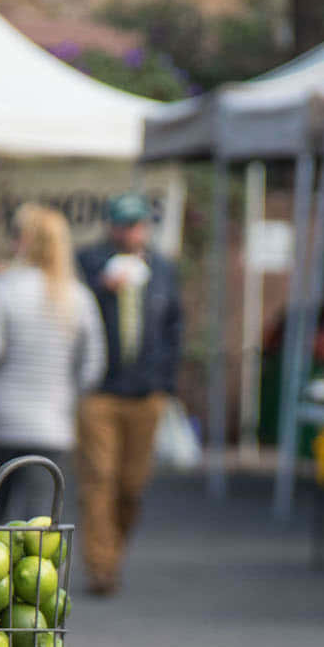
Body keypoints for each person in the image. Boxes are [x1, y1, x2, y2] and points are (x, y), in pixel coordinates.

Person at [0, 205, 106, 523]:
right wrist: (66, 393)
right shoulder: (79, 297)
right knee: (39, 526)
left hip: (0, 420)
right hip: (52, 425)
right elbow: (93, 366)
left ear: (23, 240)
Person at [76, 193, 183, 596]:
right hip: (99, 391)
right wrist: (103, 289)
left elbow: (174, 327)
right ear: (111, 226)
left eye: (137, 223)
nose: (130, 231)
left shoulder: (163, 269)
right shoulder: (89, 263)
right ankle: (101, 566)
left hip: (146, 393)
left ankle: (114, 549)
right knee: (98, 477)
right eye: (122, 223)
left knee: (132, 484)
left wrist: (166, 385)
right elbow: (75, 312)